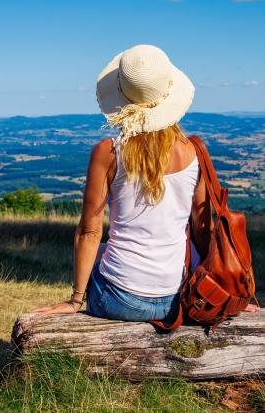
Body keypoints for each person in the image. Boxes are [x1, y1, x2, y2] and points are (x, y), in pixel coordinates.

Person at [31, 44, 259, 319]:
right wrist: (222, 289)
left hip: (119, 300)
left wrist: (75, 300)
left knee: (101, 250)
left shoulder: (108, 153)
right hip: (181, 297)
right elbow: (202, 229)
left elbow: (89, 232)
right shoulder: (195, 151)